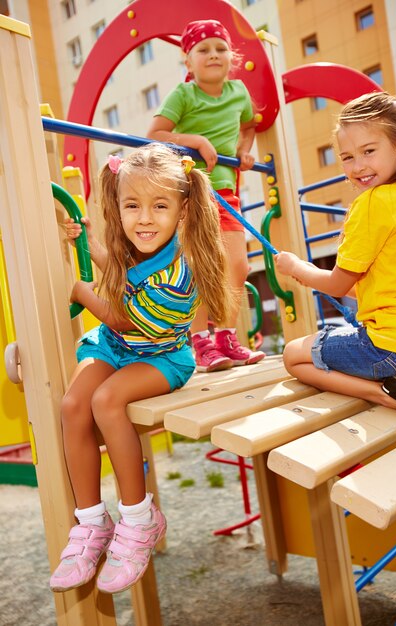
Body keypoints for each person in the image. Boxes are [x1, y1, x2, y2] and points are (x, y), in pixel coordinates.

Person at [50, 143, 232, 594]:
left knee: (106, 401)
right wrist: (86, 245)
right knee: (74, 405)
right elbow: (120, 275)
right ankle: (91, 523)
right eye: (133, 205)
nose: (144, 218)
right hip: (118, 347)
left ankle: (138, 519)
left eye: (159, 206)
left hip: (162, 357)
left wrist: (78, 289)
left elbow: (121, 316)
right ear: (118, 206)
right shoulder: (136, 246)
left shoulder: (179, 272)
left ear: (183, 211)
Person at [274, 91, 396, 414]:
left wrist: (297, 267)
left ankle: (385, 393)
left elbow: (338, 286)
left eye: (368, 151)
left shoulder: (371, 204)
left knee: (293, 354)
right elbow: (363, 285)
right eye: (347, 157)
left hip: (391, 347)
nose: (358, 166)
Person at [147, 19, 265, 372]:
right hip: (192, 190)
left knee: (238, 265)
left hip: (226, 190)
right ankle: (201, 344)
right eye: (203, 50)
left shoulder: (239, 93)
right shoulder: (185, 95)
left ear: (231, 57)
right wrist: (195, 141)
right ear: (188, 61)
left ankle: (227, 338)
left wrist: (244, 151)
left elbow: (249, 124)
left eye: (220, 48)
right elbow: (156, 132)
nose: (213, 55)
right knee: (198, 266)